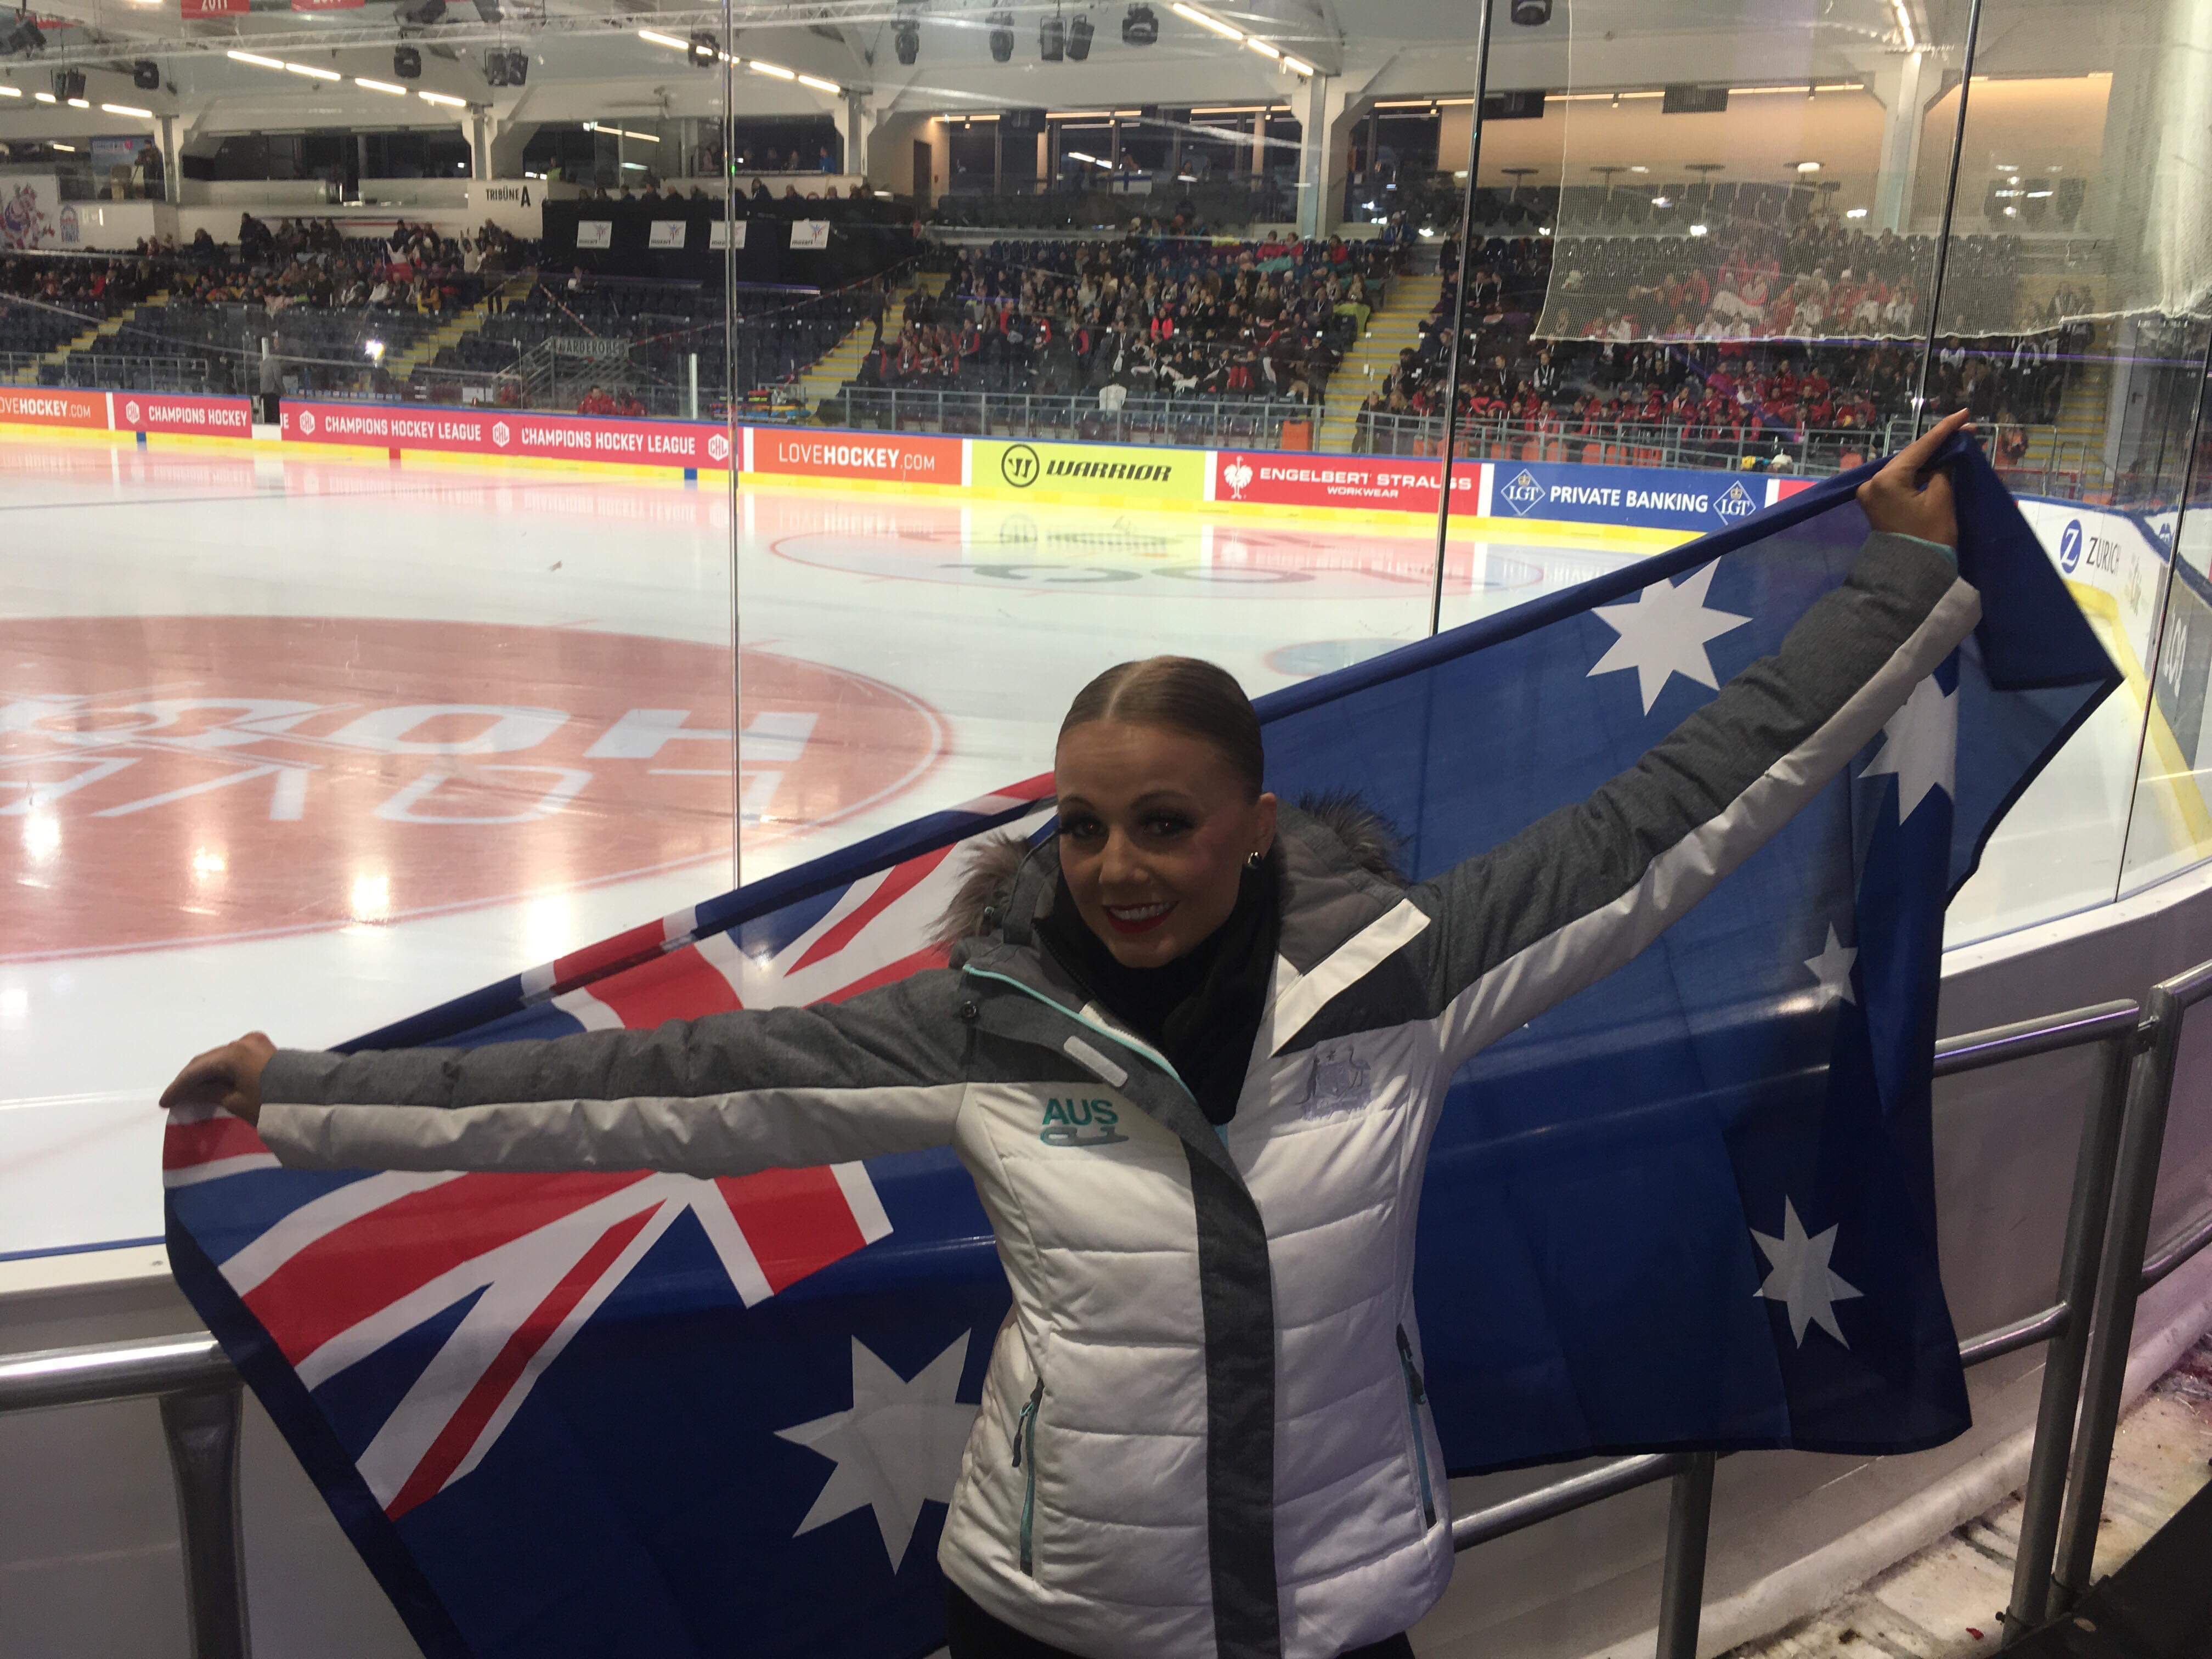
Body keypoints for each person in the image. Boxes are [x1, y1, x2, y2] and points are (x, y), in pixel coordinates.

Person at [165, 416, 1982, 1659]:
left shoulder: (1406, 978)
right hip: (1054, 1613)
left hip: (1335, 1601)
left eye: (1165, 824)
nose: (1116, 867)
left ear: (1254, 824)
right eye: (1084, 825)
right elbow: (643, 1090)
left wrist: (1897, 585)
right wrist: (311, 1098)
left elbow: (1684, 805)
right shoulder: (984, 1028)